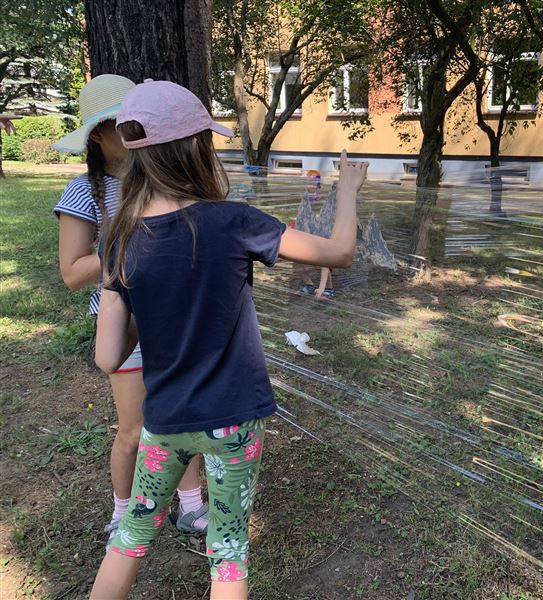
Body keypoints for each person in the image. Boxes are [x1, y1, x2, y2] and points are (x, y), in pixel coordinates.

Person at [89, 79, 367, 599]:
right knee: (229, 550)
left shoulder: (118, 241)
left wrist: (144, 299)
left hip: (166, 422)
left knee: (130, 539)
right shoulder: (234, 221)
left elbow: (108, 357)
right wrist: (347, 190)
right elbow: (340, 253)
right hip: (233, 422)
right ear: (196, 149)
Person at [52, 75, 208, 542]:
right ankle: (122, 514)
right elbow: (72, 272)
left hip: (177, 318)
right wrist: (130, 242)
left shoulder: (164, 179)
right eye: (120, 122)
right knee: (136, 428)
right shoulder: (86, 192)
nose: (133, 127)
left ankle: (191, 506)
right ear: (97, 135)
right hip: (126, 324)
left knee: (183, 416)